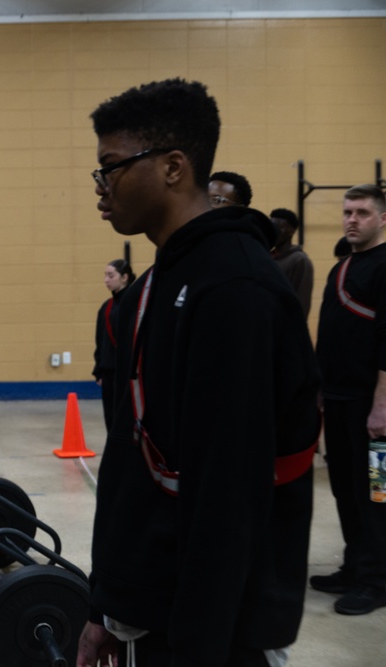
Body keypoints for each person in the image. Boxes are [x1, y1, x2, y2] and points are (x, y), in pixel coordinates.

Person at [77, 79, 321, 667]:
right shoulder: (158, 283)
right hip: (153, 604)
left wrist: (198, 646)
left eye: (111, 167)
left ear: (172, 166)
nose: (101, 187)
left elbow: (227, 496)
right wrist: (110, 606)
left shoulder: (235, 289)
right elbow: (132, 465)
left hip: (212, 629)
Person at [311, 184, 386, 615]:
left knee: (377, 493)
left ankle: (376, 580)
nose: (351, 219)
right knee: (344, 490)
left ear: (381, 219)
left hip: (372, 408)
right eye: (347, 212)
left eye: (361, 212)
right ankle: (355, 565)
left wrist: (381, 405)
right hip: (337, 402)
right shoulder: (342, 268)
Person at [92, 258, 135, 429]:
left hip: (128, 373)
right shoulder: (106, 307)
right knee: (110, 418)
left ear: (124, 277)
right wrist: (99, 371)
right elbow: (100, 340)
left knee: (126, 418)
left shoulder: (134, 304)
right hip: (109, 372)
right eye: (105, 275)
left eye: (111, 275)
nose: (106, 280)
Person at [269, 208, 315, 318]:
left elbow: (302, 303)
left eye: (279, 227)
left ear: (291, 231)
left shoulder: (299, 260)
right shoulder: (267, 256)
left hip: (284, 330)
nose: (274, 231)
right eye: (272, 227)